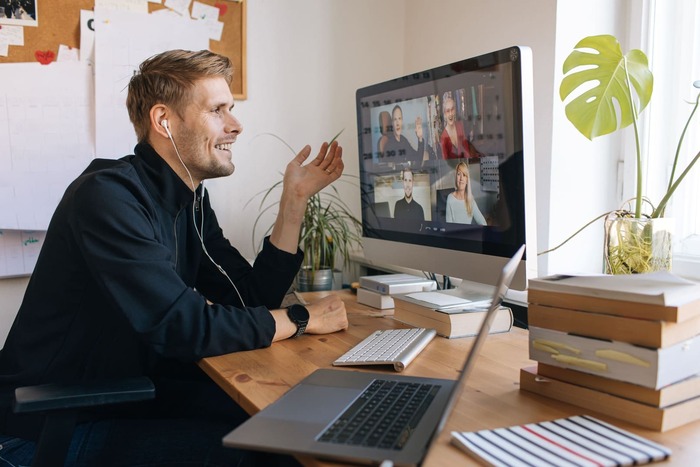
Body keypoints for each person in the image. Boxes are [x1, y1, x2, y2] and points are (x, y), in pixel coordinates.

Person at [0, 49, 348, 466]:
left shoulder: (191, 203)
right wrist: (302, 319)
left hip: (123, 399)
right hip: (46, 430)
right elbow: (183, 327)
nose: (236, 126)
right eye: (218, 110)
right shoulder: (107, 197)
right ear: (164, 120)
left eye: (231, 110)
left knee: (287, 419)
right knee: (274, 453)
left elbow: (250, 297)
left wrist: (294, 200)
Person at [440, 92, 483, 160]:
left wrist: (469, 165)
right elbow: (446, 162)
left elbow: (466, 148)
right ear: (445, 114)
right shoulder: (443, 137)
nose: (451, 113)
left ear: (455, 111)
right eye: (448, 111)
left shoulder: (460, 125)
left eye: (452, 109)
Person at [446, 161, 487, 225]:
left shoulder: (470, 199)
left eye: (464, 175)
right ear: (456, 178)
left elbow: (482, 222)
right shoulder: (450, 198)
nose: (461, 178)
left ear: (467, 180)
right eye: (459, 174)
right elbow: (448, 226)